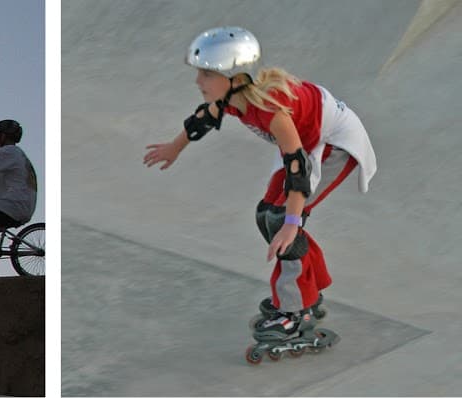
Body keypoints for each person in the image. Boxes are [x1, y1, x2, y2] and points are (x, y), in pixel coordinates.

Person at [142, 27, 374, 344]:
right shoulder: (233, 98)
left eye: (207, 74)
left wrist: (293, 222)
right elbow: (203, 119)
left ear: (236, 79)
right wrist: (175, 147)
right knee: (266, 214)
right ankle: (310, 289)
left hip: (334, 145)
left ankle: (295, 312)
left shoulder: (271, 111)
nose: (199, 82)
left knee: (283, 222)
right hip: (305, 147)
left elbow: (297, 168)